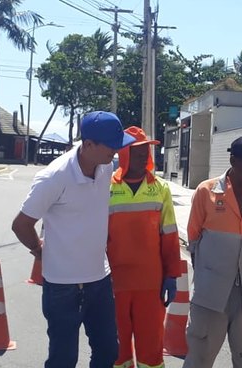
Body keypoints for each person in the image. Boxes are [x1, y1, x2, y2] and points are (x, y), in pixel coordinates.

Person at [11, 111, 135, 368]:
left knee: (108, 351)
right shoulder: (54, 177)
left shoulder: (105, 166)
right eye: (112, 147)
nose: (116, 152)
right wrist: (37, 249)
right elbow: (21, 224)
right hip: (63, 286)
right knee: (63, 359)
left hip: (99, 279)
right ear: (88, 145)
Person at [183, 134, 242, 368]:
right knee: (198, 360)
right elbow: (193, 236)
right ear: (233, 161)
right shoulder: (206, 191)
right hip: (211, 295)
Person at [106, 126, 182, 368]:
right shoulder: (106, 188)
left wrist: (172, 275)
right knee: (117, 350)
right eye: (137, 150)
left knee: (151, 348)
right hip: (113, 283)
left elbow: (169, 234)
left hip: (151, 283)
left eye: (146, 149)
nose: (144, 155)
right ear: (124, 153)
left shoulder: (161, 189)